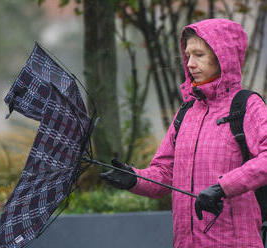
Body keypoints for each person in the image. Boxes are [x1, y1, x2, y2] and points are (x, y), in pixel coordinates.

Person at [101, 18, 267, 248]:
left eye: (199, 55)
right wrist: (134, 179)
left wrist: (223, 187)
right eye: (188, 55)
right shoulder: (187, 111)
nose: (189, 63)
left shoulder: (247, 106)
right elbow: (164, 172)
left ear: (223, 56)